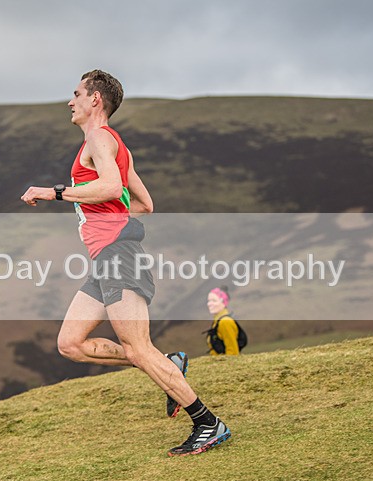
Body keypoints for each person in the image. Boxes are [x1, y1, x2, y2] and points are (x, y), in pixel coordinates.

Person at [21, 69, 230, 456]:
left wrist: (54, 192)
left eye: (77, 93)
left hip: (118, 256)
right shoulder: (117, 146)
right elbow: (146, 204)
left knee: (137, 348)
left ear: (95, 99)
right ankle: (169, 363)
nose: (71, 101)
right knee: (70, 344)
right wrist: (116, 224)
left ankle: (207, 423)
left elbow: (111, 187)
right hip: (108, 258)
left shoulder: (100, 139)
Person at [205, 286, 246, 355]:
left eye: (214, 301)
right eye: (209, 301)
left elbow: (232, 352)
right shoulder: (218, 321)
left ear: (224, 302)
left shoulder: (225, 322)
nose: (209, 304)